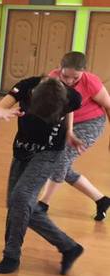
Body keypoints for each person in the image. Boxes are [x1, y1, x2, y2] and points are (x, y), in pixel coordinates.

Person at [0, 76, 85, 274]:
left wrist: (69, 132)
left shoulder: (72, 96)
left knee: (20, 198)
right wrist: (2, 112)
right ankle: (68, 247)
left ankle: (11, 255)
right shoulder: (25, 87)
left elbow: (70, 110)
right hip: (23, 150)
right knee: (18, 205)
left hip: (49, 153)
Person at [39, 52, 110, 221]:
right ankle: (101, 200)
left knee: (61, 161)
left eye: (75, 78)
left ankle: (43, 204)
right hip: (66, 123)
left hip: (91, 123)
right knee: (60, 164)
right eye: (65, 76)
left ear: (84, 71)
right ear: (59, 68)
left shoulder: (91, 82)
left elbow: (108, 105)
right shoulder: (53, 79)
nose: (69, 81)